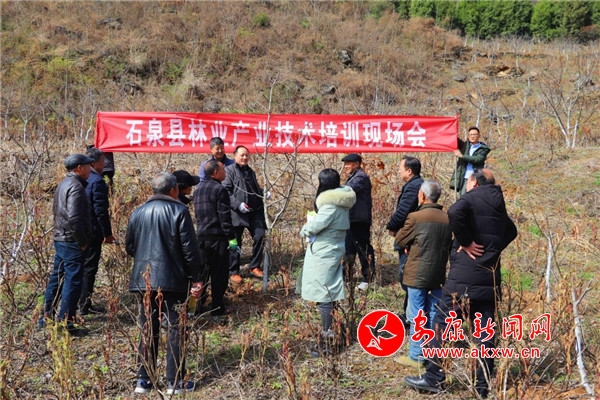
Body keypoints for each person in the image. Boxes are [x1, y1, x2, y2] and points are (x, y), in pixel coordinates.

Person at [405, 169, 517, 399]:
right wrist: (492, 250)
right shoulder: (498, 203)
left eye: (468, 181)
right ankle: (482, 385)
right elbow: (512, 231)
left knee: (442, 323)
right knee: (484, 331)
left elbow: (454, 212)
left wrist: (465, 242)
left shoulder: (472, 197)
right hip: (489, 278)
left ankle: (433, 377)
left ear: (474, 182)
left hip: (464, 277)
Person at [126, 172, 206, 395]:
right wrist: (197, 277)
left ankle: (144, 380)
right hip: (173, 279)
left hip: (144, 280)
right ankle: (175, 381)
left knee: (147, 327)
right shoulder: (179, 211)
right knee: (175, 328)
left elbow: (130, 247)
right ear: (173, 190)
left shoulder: (138, 212)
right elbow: (189, 249)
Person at [297, 169, 356, 356]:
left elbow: (315, 226)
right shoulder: (341, 200)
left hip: (325, 252)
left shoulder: (330, 204)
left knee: (324, 294)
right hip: (333, 248)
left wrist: (304, 229)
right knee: (330, 291)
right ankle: (334, 332)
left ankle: (327, 338)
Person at [394, 180, 451, 368]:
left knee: (417, 314)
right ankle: (433, 353)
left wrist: (410, 246)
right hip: (438, 273)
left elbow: (400, 239)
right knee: (434, 313)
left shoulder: (415, 217)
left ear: (423, 195)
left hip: (417, 273)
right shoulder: (446, 218)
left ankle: (416, 356)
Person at [40, 154, 94, 336]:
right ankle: (66, 323)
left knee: (57, 278)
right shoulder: (76, 187)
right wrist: (82, 242)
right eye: (87, 166)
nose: (90, 169)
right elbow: (74, 218)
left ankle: (46, 317)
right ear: (79, 168)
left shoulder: (64, 184)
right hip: (71, 241)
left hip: (61, 238)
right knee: (73, 281)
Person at [193, 160, 238, 317]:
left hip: (201, 238)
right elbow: (224, 217)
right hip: (217, 239)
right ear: (215, 172)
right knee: (219, 275)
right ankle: (217, 308)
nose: (225, 172)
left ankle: (195, 307)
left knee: (202, 275)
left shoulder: (198, 190)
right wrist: (232, 238)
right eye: (223, 169)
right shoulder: (220, 190)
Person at [385, 156, 423, 322]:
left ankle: (412, 316)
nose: (399, 171)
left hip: (409, 236)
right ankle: (409, 314)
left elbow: (403, 211)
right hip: (411, 234)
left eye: (401, 168)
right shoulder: (415, 184)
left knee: (407, 275)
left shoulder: (414, 186)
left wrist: (392, 226)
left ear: (409, 171)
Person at [78, 147, 115, 316]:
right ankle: (84, 304)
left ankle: (79, 302)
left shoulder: (80, 178)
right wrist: (107, 233)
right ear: (93, 163)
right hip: (92, 231)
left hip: (79, 230)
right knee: (89, 268)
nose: (104, 164)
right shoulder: (97, 181)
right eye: (102, 161)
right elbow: (101, 211)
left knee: (80, 266)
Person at [222, 145, 266, 284]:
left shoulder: (250, 171)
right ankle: (234, 271)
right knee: (235, 242)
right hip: (237, 213)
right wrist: (238, 205)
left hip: (254, 211)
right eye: (242, 155)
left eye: (247, 155)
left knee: (260, 235)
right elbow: (226, 191)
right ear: (235, 156)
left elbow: (254, 189)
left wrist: (263, 193)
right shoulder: (229, 171)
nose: (245, 158)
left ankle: (254, 265)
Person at [341, 153, 375, 291]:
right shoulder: (353, 176)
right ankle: (346, 277)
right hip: (351, 219)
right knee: (348, 248)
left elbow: (348, 191)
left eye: (348, 164)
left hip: (359, 220)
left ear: (356, 164)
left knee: (363, 249)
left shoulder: (361, 177)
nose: (345, 166)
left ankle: (368, 278)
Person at [449, 126, 490, 196]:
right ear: (468, 136)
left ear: (479, 136)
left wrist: (462, 156)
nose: (472, 136)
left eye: (474, 134)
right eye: (470, 134)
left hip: (476, 178)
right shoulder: (465, 146)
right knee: (463, 197)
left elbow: (478, 159)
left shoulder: (483, 148)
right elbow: (454, 139)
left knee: (473, 198)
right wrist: (451, 128)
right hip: (464, 177)